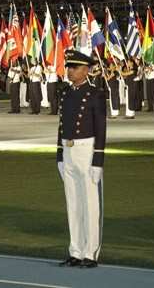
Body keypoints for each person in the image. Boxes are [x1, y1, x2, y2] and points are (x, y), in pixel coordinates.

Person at [56, 50, 106, 268]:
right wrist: (59, 154)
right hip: (68, 150)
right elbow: (61, 125)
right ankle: (75, 250)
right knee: (73, 203)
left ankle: (90, 252)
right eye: (68, 67)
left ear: (86, 70)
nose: (69, 71)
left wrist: (98, 160)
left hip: (87, 149)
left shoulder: (95, 94)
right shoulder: (66, 93)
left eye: (74, 67)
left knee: (90, 204)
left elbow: (101, 129)